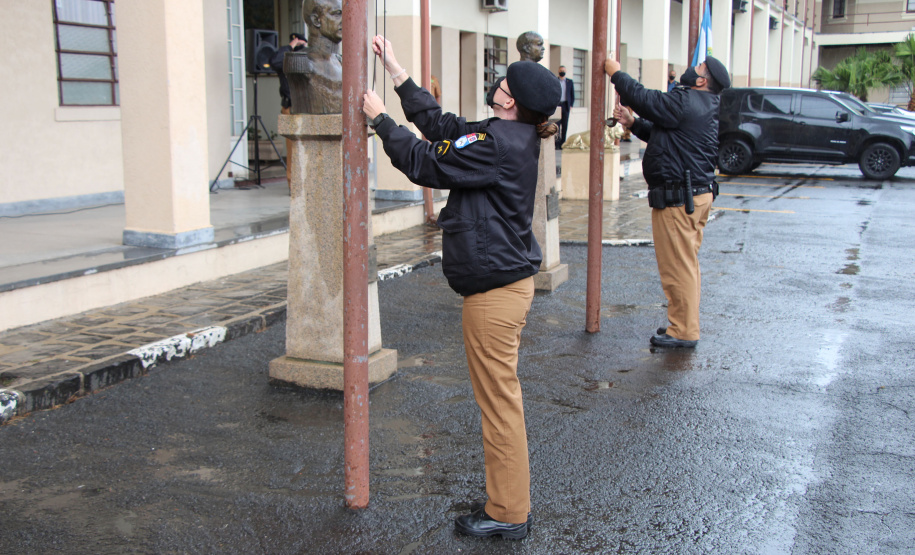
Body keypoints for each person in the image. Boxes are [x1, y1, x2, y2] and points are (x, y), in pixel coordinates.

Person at [363, 35, 560, 540]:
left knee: (498, 406)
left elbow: (427, 162)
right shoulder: (503, 135)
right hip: (501, 287)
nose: (497, 81)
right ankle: (505, 501)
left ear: (510, 98)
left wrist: (382, 120)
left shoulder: (499, 145)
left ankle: (509, 513)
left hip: (495, 295)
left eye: (504, 80)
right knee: (500, 401)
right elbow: (445, 129)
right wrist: (397, 72)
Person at [604, 56, 731, 348]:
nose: (693, 68)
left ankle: (684, 331)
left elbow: (641, 96)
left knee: (678, 268)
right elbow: (663, 135)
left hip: (679, 200)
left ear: (702, 81)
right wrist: (633, 122)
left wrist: (615, 71)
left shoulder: (687, 101)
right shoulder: (699, 105)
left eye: (699, 68)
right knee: (686, 265)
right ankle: (683, 324)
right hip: (693, 196)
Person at [271, 33, 307, 186]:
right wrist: (290, 46)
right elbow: (275, 62)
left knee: (307, 149)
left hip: (307, 109)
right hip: (291, 108)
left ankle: (306, 182)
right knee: (293, 150)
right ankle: (294, 184)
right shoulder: (286, 60)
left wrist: (305, 48)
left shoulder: (307, 57)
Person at [557, 65, 575, 147]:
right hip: (557, 105)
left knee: (564, 125)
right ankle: (556, 143)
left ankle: (562, 143)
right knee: (557, 125)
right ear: (558, 71)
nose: (562, 72)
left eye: (563, 70)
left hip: (565, 105)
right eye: (561, 70)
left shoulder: (569, 82)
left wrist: (571, 105)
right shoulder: (555, 81)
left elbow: (572, 94)